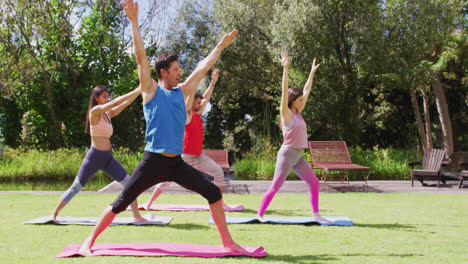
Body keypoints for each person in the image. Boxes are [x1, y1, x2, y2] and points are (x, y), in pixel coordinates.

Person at [79, 0, 247, 254]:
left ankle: (228, 242)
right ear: (163, 72)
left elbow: (203, 67)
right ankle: (87, 243)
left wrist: (220, 46)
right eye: (176, 69)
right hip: (152, 161)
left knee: (213, 192)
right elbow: (140, 57)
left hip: (176, 163)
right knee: (122, 202)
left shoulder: (183, 92)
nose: (180, 73)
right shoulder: (150, 91)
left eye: (180, 69)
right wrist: (134, 21)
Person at [51, 85, 146, 222]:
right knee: (76, 187)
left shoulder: (108, 114)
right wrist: (136, 89)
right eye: (104, 97)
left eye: (108, 96)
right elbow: (115, 102)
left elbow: (124, 104)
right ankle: (53, 214)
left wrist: (138, 91)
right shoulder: (95, 112)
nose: (108, 99)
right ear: (96, 98)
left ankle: (136, 216)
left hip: (108, 158)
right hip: (94, 157)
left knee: (129, 183)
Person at [257, 52, 329, 223]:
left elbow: (307, 89)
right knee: (275, 186)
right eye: (300, 100)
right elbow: (284, 91)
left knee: (314, 183)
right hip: (287, 155)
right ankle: (259, 215)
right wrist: (285, 69)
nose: (303, 101)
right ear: (292, 101)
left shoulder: (298, 113)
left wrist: (311, 73)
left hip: (297, 157)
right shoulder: (286, 114)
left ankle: (316, 214)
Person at [145, 69, 233, 209]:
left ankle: (220, 204)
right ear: (191, 103)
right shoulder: (186, 115)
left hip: (199, 156)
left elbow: (206, 98)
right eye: (197, 103)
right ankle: (148, 204)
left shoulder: (198, 114)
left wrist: (213, 83)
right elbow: (190, 99)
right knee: (166, 180)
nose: (200, 105)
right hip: (185, 157)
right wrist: (194, 85)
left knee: (218, 172)